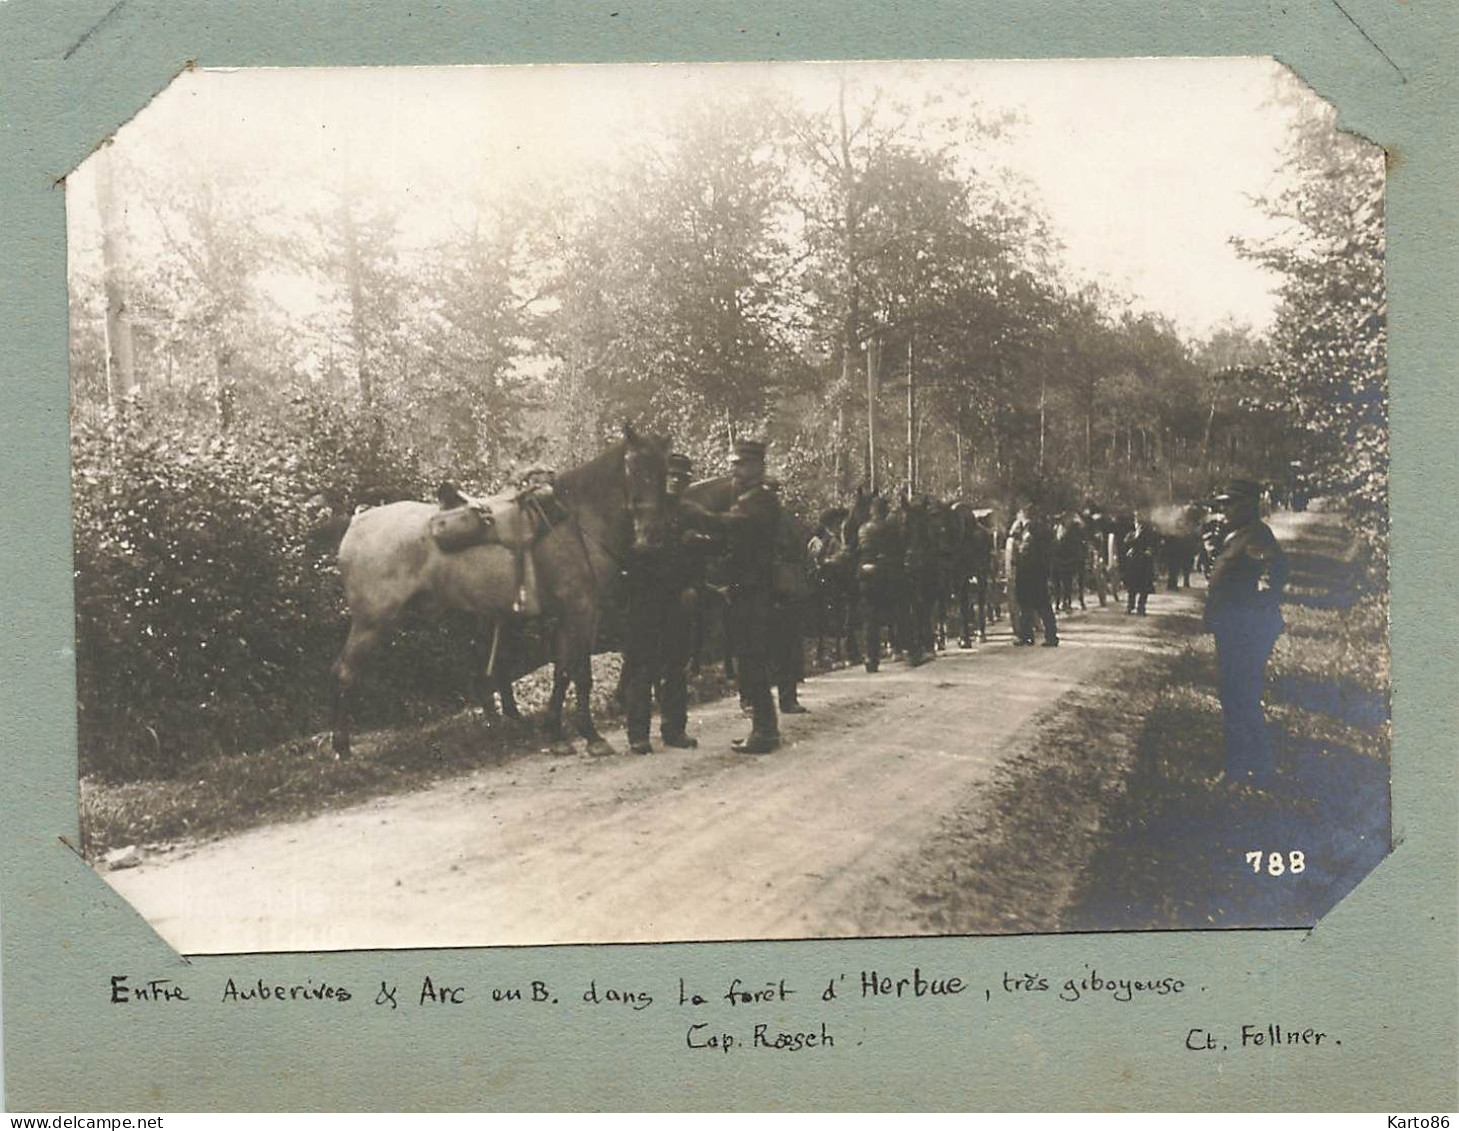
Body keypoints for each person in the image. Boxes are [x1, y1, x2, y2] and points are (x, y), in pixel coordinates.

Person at [682, 439, 782, 754]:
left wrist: (689, 510)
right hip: (744, 590)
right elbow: (726, 539)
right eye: (734, 464)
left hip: (755, 590)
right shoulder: (749, 498)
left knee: (753, 660)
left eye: (740, 464)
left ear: (757, 467)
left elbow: (727, 524)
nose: (734, 470)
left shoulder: (760, 500)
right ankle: (763, 729)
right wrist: (698, 541)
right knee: (747, 659)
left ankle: (765, 732)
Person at [1205, 478, 1289, 787]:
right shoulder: (1238, 535)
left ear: (1248, 505)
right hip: (1234, 627)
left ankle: (1241, 768)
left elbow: (1271, 577)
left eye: (1230, 503)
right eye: (1223, 504)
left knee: (1238, 695)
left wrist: (1249, 611)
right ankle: (1257, 765)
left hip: (1246, 630)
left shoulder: (1256, 536)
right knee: (1237, 696)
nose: (1224, 510)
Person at [622, 452, 707, 755]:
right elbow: (626, 554)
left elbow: (701, 558)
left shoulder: (690, 513)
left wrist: (693, 587)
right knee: (641, 666)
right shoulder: (642, 510)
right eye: (670, 476)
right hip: (644, 598)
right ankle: (637, 734)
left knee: (675, 666)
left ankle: (674, 730)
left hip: (676, 599)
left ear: (687, 482)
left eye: (681, 478)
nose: (674, 481)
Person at [855, 494, 903, 672]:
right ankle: (902, 648)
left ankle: (871, 657)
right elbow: (899, 551)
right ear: (885, 511)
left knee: (870, 620)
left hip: (866, 576)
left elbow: (857, 551)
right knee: (897, 612)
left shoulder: (863, 528)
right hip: (886, 575)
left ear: (871, 511)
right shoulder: (891, 529)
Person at [1007, 503, 1058, 646]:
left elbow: (1026, 550)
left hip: (1031, 571)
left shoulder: (1031, 532)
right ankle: (1036, 635)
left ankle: (1041, 636)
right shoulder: (1040, 530)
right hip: (1035, 572)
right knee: (1032, 604)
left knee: (1034, 604)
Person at [1121, 513, 1159, 615]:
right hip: (1133, 564)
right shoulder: (1131, 535)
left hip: (1145, 564)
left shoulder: (1150, 535)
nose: (1139, 526)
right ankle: (1130, 606)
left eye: (1141, 524)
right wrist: (1136, 536)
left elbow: (1156, 546)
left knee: (1144, 587)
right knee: (1132, 587)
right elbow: (1125, 545)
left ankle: (1141, 607)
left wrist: (1150, 551)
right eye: (1137, 523)